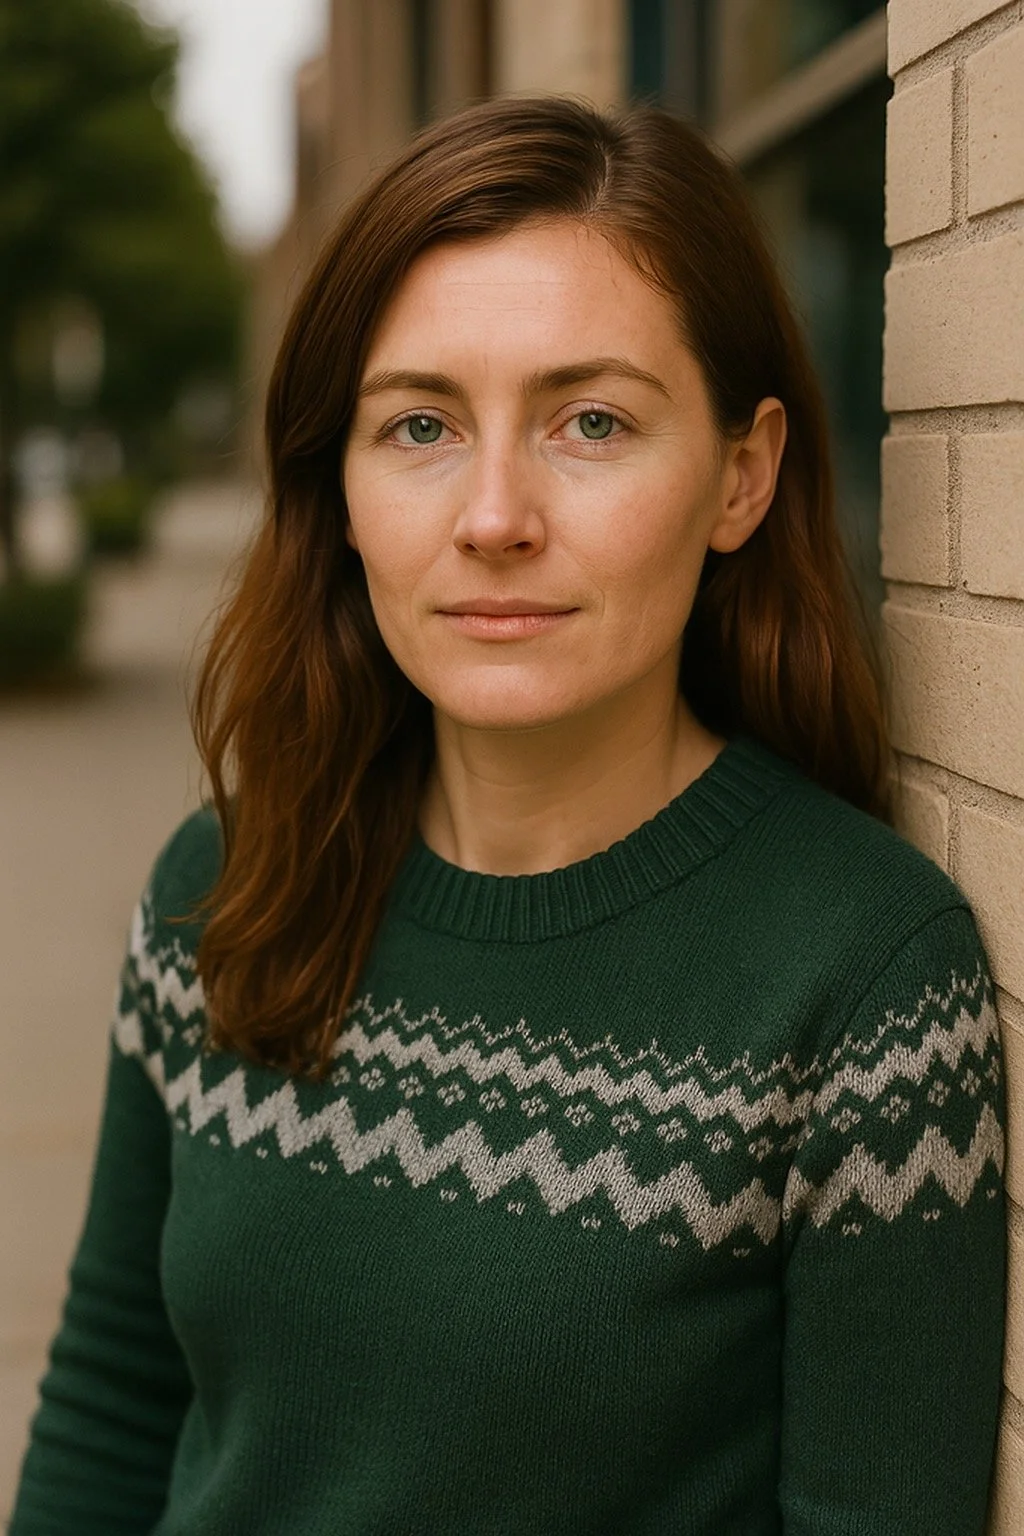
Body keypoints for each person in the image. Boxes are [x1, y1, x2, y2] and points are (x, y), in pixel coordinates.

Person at [12, 96, 1006, 1536]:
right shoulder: (222, 883)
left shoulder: (862, 979)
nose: (492, 514)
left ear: (743, 474)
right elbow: (113, 1401)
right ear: (338, 490)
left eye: (590, 422)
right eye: (419, 424)